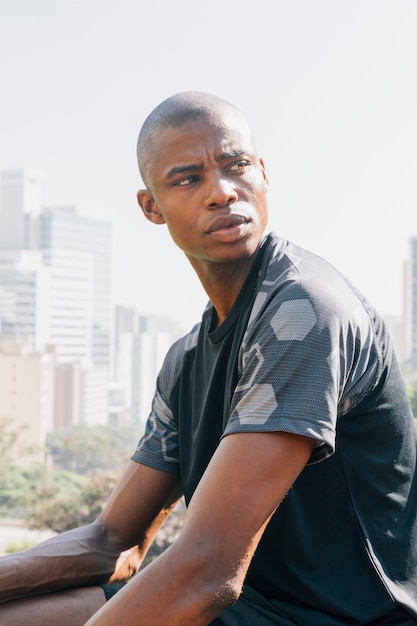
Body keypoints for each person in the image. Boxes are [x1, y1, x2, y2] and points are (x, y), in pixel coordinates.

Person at [0, 91, 416, 626]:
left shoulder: (305, 311)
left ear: (263, 174)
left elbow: (207, 571)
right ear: (151, 206)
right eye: (187, 178)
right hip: (248, 610)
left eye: (236, 166)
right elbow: (112, 542)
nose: (222, 192)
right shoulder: (186, 360)